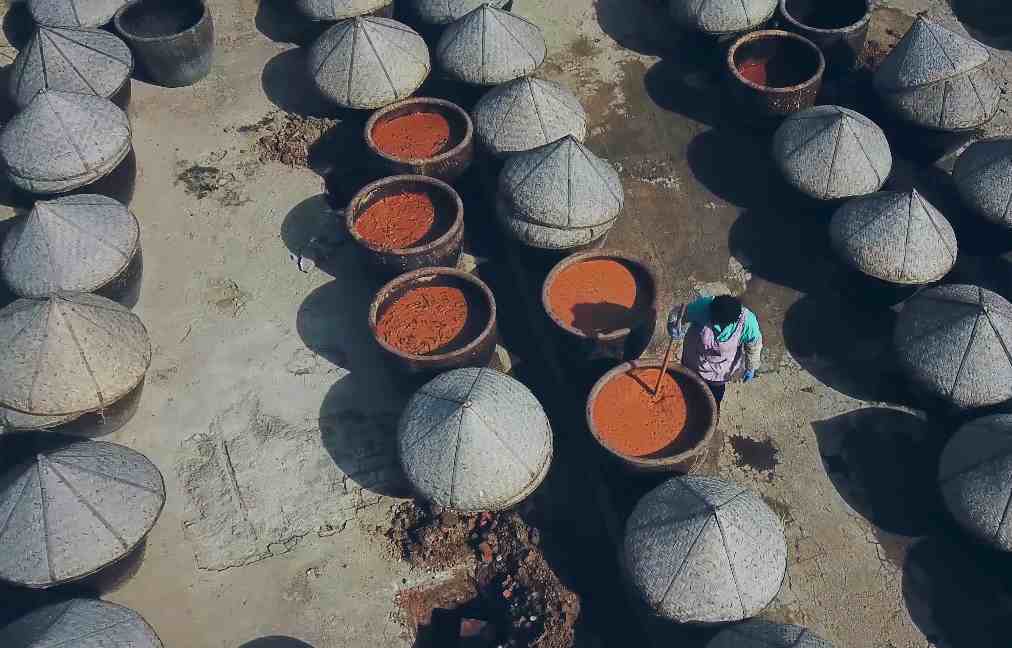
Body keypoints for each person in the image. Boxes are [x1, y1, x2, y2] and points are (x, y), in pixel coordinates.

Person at [668, 294, 762, 405]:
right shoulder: (703, 306)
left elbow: (754, 345)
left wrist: (751, 366)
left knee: (713, 398)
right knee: (685, 389)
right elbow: (678, 315)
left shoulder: (747, 323)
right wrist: (674, 326)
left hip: (719, 371)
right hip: (694, 358)